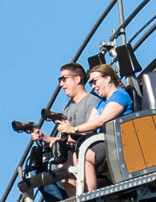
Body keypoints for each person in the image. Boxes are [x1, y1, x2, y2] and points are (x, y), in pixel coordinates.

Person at [56, 63, 133, 194]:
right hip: (104, 141)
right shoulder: (101, 103)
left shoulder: (119, 96)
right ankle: (80, 194)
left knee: (85, 154)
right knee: (76, 153)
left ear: (108, 78)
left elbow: (102, 121)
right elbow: (89, 127)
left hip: (120, 139)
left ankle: (90, 195)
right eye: (91, 83)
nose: (93, 86)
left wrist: (74, 129)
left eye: (95, 81)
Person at [26, 63, 98, 201]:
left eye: (64, 79)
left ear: (77, 79)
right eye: (60, 80)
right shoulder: (68, 109)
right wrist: (44, 138)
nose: (61, 84)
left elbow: (90, 132)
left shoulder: (91, 101)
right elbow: (62, 139)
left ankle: (77, 201)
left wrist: (70, 131)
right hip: (68, 149)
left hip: (83, 148)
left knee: (64, 155)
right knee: (39, 165)